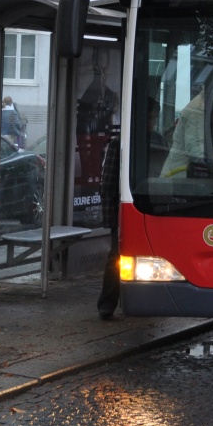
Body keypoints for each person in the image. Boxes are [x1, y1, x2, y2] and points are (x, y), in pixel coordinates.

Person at [161, 67, 213, 176]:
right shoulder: (198, 110)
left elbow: (203, 139)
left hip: (194, 173)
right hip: (179, 175)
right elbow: (196, 149)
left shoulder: (211, 105)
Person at [97, 125, 121, 319]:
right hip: (122, 213)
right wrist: (111, 219)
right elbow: (108, 183)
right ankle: (107, 303)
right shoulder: (118, 144)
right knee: (116, 257)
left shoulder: (156, 138)